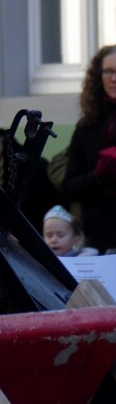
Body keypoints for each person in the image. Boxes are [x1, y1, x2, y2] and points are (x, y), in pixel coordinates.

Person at [63, 45, 116, 254]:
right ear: (98, 76)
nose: (113, 78)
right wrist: (98, 176)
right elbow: (69, 187)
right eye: (108, 71)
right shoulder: (87, 126)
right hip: (97, 240)